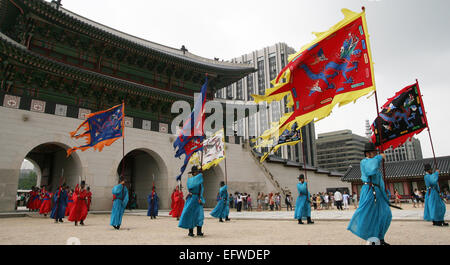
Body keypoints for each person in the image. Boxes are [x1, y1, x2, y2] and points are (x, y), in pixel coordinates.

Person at [347, 142, 392, 245]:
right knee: (371, 216)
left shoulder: (373, 162)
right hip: (370, 191)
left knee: (385, 214)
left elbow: (379, 181)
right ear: (367, 154)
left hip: (378, 191)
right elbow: (371, 169)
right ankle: (372, 239)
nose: (375, 155)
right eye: (373, 153)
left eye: (375, 153)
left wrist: (385, 192)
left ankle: (381, 238)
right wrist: (380, 157)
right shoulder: (364, 162)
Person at [178, 166, 205, 237]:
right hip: (192, 199)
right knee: (190, 214)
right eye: (196, 172)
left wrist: (201, 198)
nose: (197, 173)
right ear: (193, 173)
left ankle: (199, 231)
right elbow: (191, 185)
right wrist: (200, 176)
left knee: (200, 215)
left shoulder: (199, 181)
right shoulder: (190, 180)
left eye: (198, 172)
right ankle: (190, 232)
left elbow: (201, 190)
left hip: (198, 199)